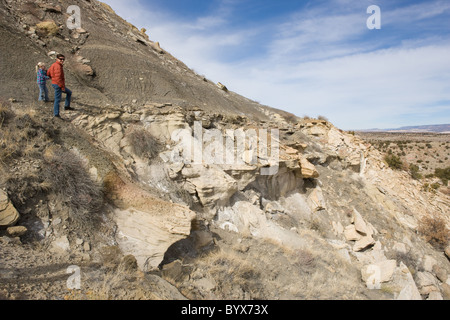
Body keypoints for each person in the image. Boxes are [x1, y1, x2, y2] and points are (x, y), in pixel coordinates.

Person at [47, 54, 74, 118]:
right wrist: (62, 87)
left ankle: (67, 106)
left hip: (55, 83)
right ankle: (56, 114)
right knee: (57, 99)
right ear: (57, 59)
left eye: (63, 59)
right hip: (58, 85)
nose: (62, 60)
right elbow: (58, 78)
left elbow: (48, 73)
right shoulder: (58, 66)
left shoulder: (54, 65)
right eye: (60, 59)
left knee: (69, 92)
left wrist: (52, 78)